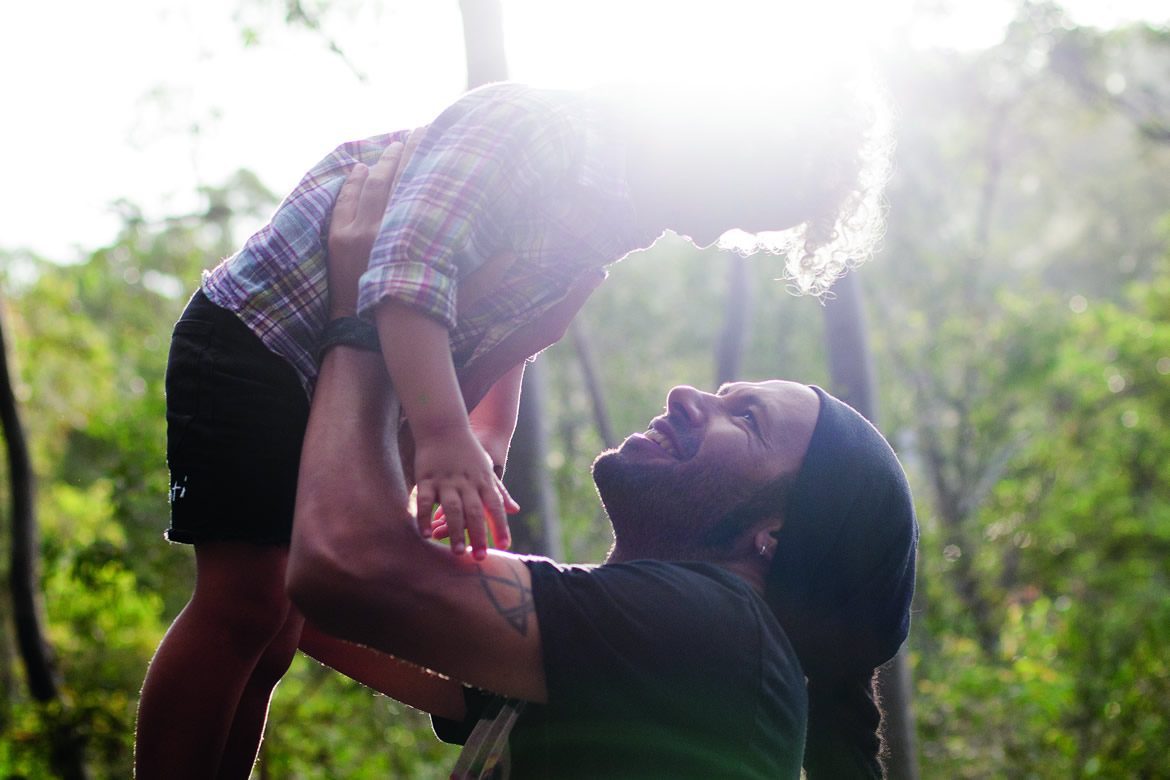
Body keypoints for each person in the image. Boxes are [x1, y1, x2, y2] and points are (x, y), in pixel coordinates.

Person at [137, 76, 888, 777]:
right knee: (246, 609)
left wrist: (474, 434)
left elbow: (515, 324)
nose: (709, 231)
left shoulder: (707, 638)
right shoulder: (543, 136)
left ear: (775, 536)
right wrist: (445, 433)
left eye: (737, 224)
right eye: (734, 201)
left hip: (335, 355)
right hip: (261, 339)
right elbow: (407, 269)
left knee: (264, 625)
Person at [283, 160, 918, 777]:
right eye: (726, 394)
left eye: (746, 419)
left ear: (775, 535)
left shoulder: (713, 634)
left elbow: (340, 568)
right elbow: (310, 593)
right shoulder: (645, 649)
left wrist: (363, 309)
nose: (686, 396)